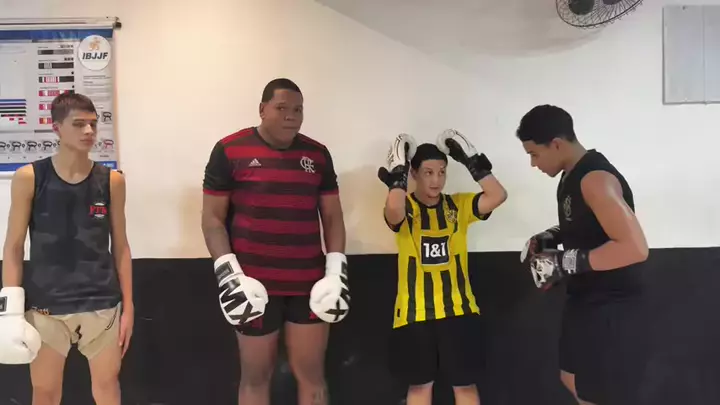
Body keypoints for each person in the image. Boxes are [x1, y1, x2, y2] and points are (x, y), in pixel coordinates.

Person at [201, 78, 350, 405]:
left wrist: (336, 272)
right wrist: (230, 276)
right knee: (255, 378)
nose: (291, 116)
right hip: (252, 284)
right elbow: (212, 220)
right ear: (262, 109)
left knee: (312, 376)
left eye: (298, 110)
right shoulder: (230, 150)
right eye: (282, 108)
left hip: (309, 285)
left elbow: (333, 217)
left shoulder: (317, 155)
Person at [0, 92, 134, 405]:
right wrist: (10, 313)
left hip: (102, 304)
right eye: (79, 124)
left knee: (107, 388)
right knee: (45, 392)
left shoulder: (112, 181)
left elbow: (121, 247)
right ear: (56, 127)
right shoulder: (30, 178)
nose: (89, 131)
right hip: (46, 305)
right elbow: (14, 247)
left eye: (93, 124)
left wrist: (129, 307)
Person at [517, 105, 649, 405]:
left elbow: (635, 248)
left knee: (600, 392)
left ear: (556, 144)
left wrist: (563, 262)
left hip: (612, 305)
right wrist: (551, 236)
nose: (533, 164)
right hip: (584, 299)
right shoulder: (568, 177)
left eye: (534, 154)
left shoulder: (595, 179)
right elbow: (585, 223)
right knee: (571, 377)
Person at [379, 130, 508, 405]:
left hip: (459, 310)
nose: (436, 180)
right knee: (419, 388)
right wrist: (398, 174)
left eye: (441, 172)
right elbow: (393, 211)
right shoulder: (406, 207)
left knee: (465, 386)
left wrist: (472, 161)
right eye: (428, 173)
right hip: (414, 313)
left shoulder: (457, 205)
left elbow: (498, 195)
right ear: (414, 174)